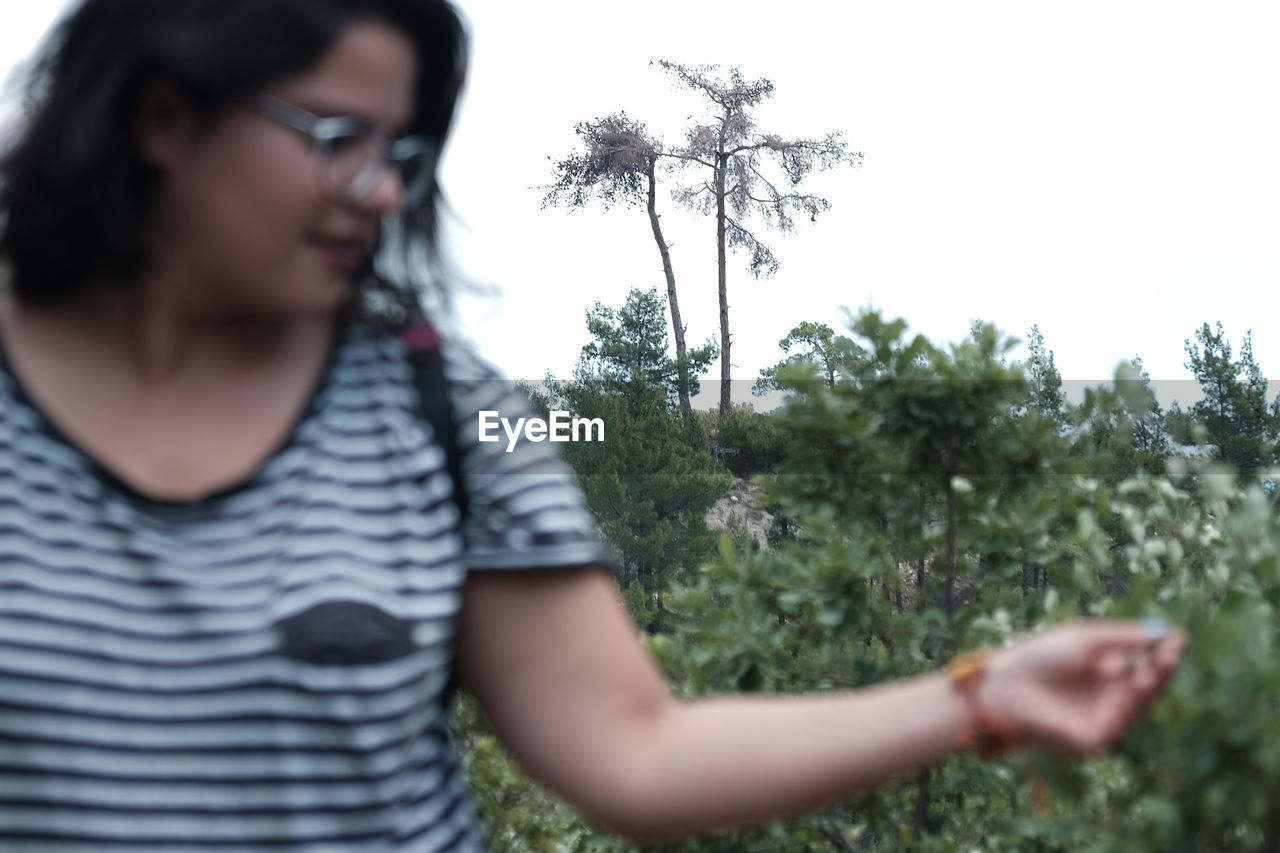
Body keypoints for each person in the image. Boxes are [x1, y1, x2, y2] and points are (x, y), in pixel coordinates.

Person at [0, 0, 1184, 850]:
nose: (377, 188)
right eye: (331, 138)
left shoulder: (444, 413)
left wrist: (971, 696)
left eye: (399, 150)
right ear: (162, 113)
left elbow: (633, 748)